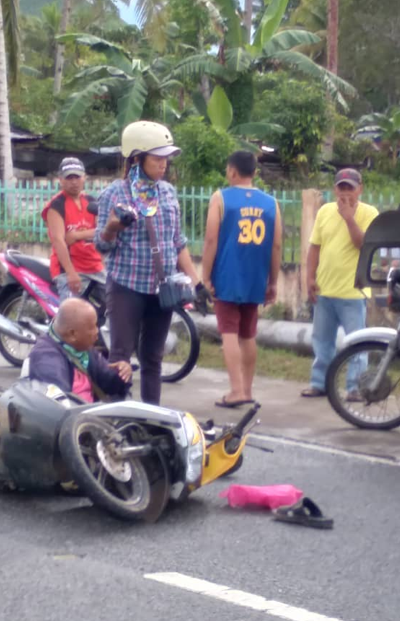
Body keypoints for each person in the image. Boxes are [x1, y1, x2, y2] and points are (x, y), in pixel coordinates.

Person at [95, 121, 203, 405]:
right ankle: (115, 416)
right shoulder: (114, 194)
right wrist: (112, 228)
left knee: (153, 358)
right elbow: (101, 244)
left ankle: (150, 418)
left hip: (162, 290)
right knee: (120, 356)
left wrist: (196, 281)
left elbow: (176, 241)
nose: (164, 164)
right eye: (157, 157)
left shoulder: (167, 192)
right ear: (137, 158)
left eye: (166, 157)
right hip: (126, 286)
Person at [201, 149, 283, 408]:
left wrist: (205, 276)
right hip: (255, 278)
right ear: (255, 173)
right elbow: (277, 246)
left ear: (231, 171)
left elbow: (211, 239)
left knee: (229, 332)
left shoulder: (221, 198)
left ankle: (236, 391)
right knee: (248, 335)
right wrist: (272, 281)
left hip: (227, 277)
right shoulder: (271, 203)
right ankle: (247, 390)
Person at [300, 168, 378, 398]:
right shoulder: (324, 211)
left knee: (356, 343)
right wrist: (310, 278)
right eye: (341, 188)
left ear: (360, 189)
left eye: (350, 188)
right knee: (322, 342)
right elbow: (315, 247)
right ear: (335, 189)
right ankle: (320, 383)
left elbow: (363, 244)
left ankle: (354, 387)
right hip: (325, 290)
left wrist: (349, 218)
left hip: (353, 292)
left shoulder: (369, 213)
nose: (345, 193)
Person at [27, 298, 133, 402]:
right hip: (73, 417)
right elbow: (58, 403)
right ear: (73, 334)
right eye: (92, 327)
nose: (97, 331)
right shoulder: (46, 358)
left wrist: (122, 373)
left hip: (87, 416)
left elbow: (108, 382)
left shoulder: (82, 350)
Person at [42, 157, 106, 300]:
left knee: (115, 308)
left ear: (84, 177)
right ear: (61, 180)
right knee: (72, 315)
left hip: (95, 267)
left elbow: (102, 232)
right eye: (69, 178)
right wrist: (71, 273)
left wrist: (76, 236)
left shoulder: (91, 202)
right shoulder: (56, 206)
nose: (74, 182)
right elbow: (59, 241)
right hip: (69, 270)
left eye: (77, 177)